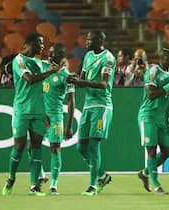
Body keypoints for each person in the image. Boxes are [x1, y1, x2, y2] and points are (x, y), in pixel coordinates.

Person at [2, 32, 62, 196]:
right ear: (28, 43)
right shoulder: (19, 60)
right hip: (22, 111)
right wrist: (51, 72)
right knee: (19, 147)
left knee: (36, 148)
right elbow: (30, 79)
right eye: (39, 43)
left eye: (43, 43)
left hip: (39, 112)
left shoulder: (39, 62)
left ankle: (34, 186)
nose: (42, 46)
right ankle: (11, 178)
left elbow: (50, 78)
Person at [66, 31, 115, 196]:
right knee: (81, 148)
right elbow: (82, 79)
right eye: (86, 38)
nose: (86, 41)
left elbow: (103, 84)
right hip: (88, 106)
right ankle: (102, 176)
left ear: (100, 40)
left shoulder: (108, 58)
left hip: (102, 106)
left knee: (94, 146)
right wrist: (73, 79)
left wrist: (81, 81)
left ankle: (93, 186)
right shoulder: (87, 56)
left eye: (90, 39)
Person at [137, 48, 169, 195]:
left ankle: (144, 173)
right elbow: (151, 94)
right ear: (161, 58)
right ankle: (156, 186)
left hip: (163, 119)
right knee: (151, 151)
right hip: (148, 116)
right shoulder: (153, 71)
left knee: (166, 152)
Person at [41, 43, 75, 195]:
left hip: (55, 117)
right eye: (49, 53)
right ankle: (41, 176)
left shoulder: (66, 76)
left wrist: (69, 126)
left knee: (55, 149)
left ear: (61, 56)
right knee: (30, 146)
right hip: (40, 115)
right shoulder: (43, 69)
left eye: (53, 54)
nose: (50, 56)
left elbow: (71, 101)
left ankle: (53, 185)